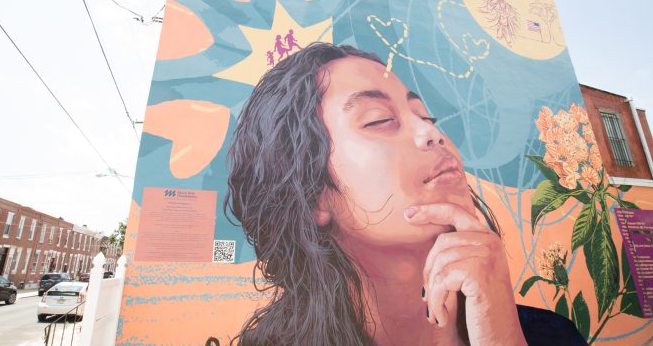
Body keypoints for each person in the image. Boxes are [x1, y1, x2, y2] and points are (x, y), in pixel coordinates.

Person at [224, 43, 584, 346]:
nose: (430, 133)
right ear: (312, 195)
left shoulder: (550, 335)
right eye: (380, 119)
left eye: (427, 117)